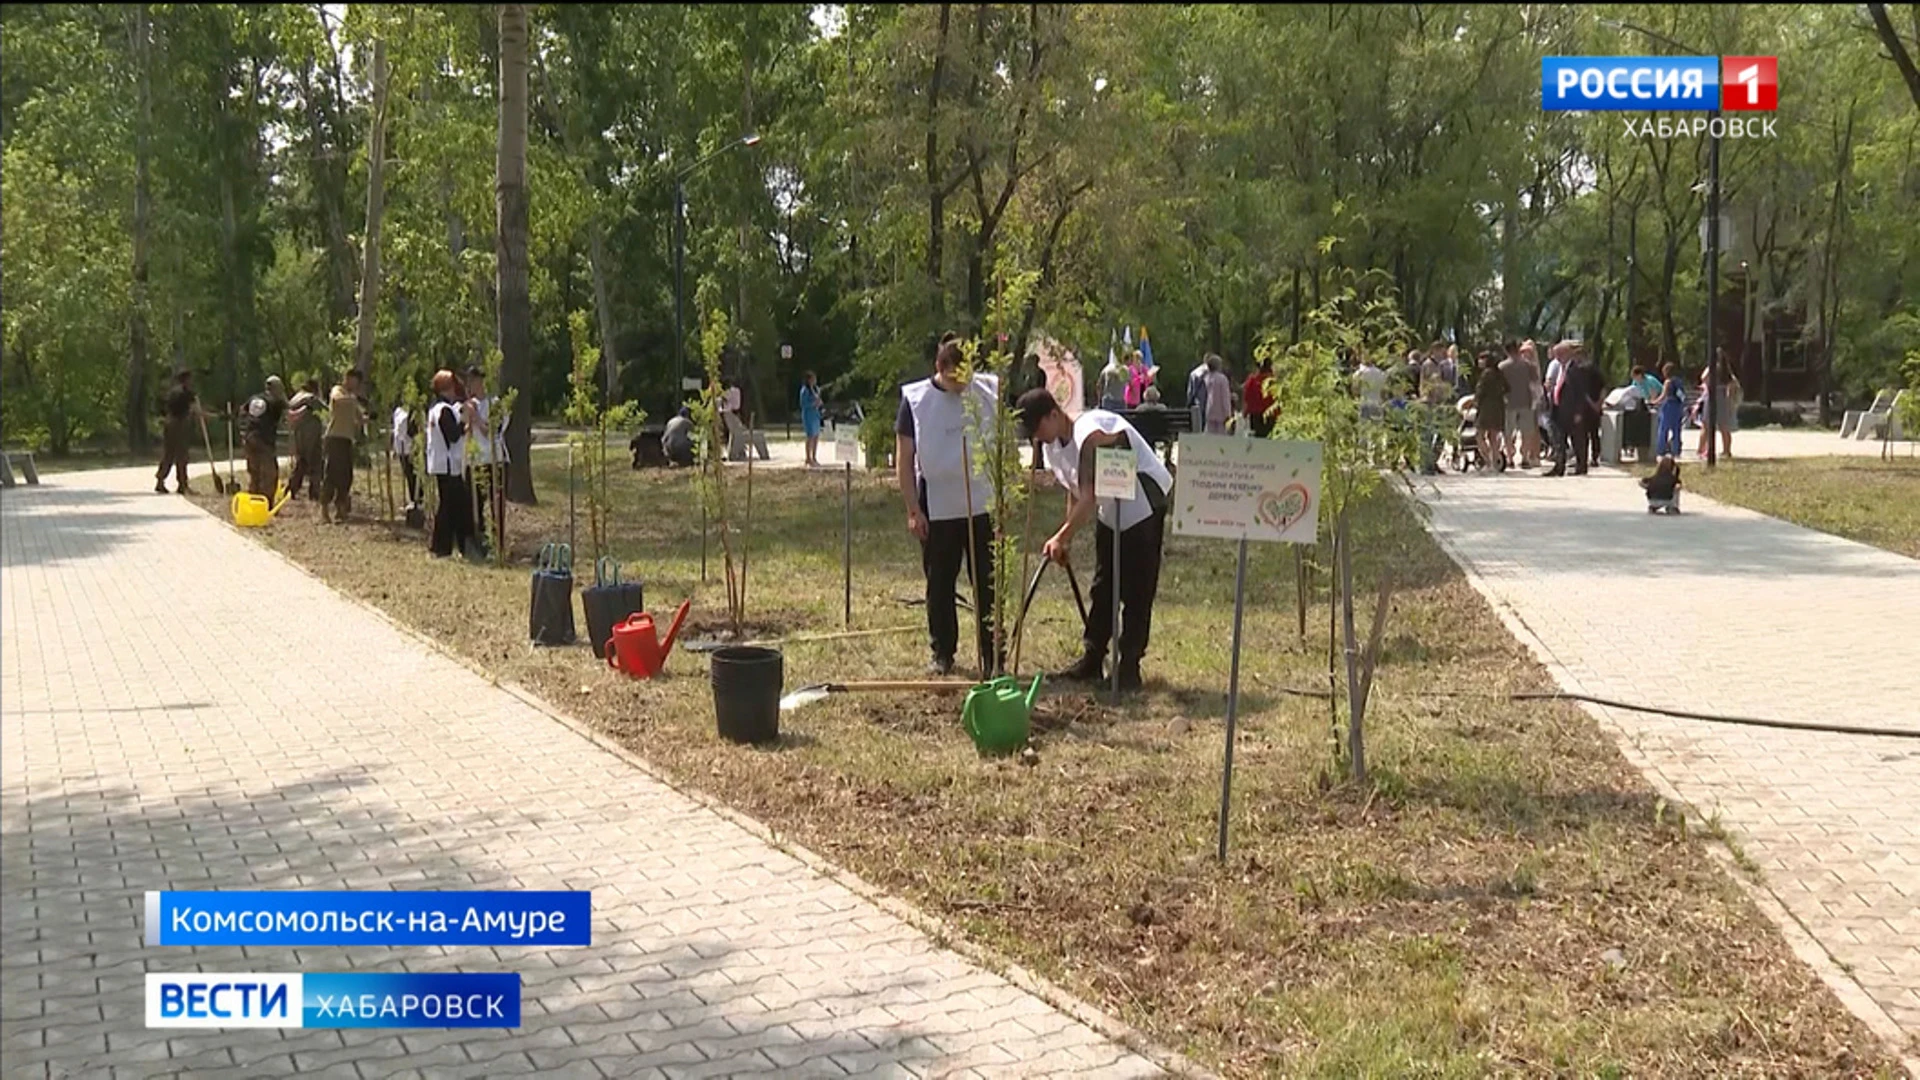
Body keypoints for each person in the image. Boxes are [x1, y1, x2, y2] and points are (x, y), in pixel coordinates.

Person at [1017, 388, 1173, 693]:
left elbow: (1088, 497)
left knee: (1137, 589)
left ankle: (1129, 666)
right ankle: (1092, 659)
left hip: (1143, 504)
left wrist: (1060, 537)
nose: (1037, 437)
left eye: (1037, 428)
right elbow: (1074, 491)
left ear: (1053, 414)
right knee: (1104, 586)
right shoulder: (1052, 447)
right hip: (1111, 508)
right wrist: (1067, 538)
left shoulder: (1090, 433)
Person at [896, 333, 998, 676]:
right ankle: (942, 651)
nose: (963, 382)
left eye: (968, 373)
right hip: (937, 504)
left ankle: (992, 654)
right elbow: (905, 458)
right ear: (941, 367)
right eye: (957, 375)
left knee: (988, 581)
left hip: (982, 503)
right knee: (940, 583)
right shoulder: (916, 400)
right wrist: (913, 509)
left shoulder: (987, 392)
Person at [425, 370, 477, 559]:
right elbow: (453, 435)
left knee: (452, 504)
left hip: (441, 463)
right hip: (447, 465)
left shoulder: (436, 408)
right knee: (450, 505)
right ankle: (442, 546)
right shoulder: (443, 410)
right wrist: (465, 424)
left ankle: (450, 545)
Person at [464, 365, 507, 547]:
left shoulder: (496, 404)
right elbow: (463, 431)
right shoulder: (469, 405)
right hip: (475, 460)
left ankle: (498, 542)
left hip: (494, 459)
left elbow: (492, 432)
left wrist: (477, 417)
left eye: (474, 381)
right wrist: (468, 416)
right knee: (475, 504)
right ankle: (478, 538)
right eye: (469, 381)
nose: (471, 385)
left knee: (496, 502)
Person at [318, 369, 364, 524]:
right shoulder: (338, 391)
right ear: (348, 379)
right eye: (354, 380)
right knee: (331, 473)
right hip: (334, 438)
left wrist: (367, 418)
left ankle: (340, 508)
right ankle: (324, 509)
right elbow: (338, 400)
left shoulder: (353, 399)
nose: (355, 384)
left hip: (347, 440)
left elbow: (359, 417)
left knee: (346, 476)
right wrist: (354, 399)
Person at [155, 370, 203, 495]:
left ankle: (160, 481)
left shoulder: (172, 392)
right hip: (179, 424)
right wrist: (215, 416)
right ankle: (182, 484)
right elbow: (196, 410)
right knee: (182, 455)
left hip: (169, 422)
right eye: (190, 379)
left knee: (168, 453)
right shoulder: (187, 393)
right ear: (186, 379)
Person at [242, 376, 289, 497]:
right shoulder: (276, 401)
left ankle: (253, 501)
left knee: (254, 473)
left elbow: (243, 412)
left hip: (249, 438)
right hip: (264, 440)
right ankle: (266, 503)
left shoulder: (254, 398)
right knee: (269, 475)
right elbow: (288, 413)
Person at [285, 379, 326, 501]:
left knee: (301, 463)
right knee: (315, 463)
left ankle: (291, 488)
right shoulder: (311, 398)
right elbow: (326, 410)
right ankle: (314, 493)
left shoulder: (295, 398)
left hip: (298, 436)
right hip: (312, 436)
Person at [1698, 358, 1741, 460]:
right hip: (1724, 399)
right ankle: (1727, 450)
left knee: (1706, 425)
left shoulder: (1712, 368)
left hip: (1712, 396)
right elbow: (1734, 384)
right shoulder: (1727, 371)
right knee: (1724, 427)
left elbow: (1703, 378)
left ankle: (1701, 449)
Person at [1473, 353, 1507, 470]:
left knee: (1479, 435)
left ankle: (1487, 459)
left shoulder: (1486, 374)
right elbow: (1507, 388)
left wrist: (1475, 402)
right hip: (1498, 406)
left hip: (1486, 408)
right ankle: (1495, 461)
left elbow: (1480, 390)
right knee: (1493, 436)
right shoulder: (1499, 373)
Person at [1651, 362, 1686, 458]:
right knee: (1676, 430)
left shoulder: (1668, 382)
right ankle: (1676, 450)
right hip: (1678, 406)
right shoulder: (1679, 381)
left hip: (1669, 405)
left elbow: (1663, 395)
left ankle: (1661, 449)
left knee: (1663, 428)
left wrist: (1654, 401)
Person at [391, 400, 422, 509]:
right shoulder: (398, 411)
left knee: (414, 475)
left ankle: (418, 500)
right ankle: (413, 499)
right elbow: (396, 430)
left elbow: (413, 430)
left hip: (411, 448)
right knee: (408, 475)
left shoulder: (414, 412)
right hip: (401, 448)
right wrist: (394, 448)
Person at [1243, 357, 1274, 438]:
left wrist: (1246, 411)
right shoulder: (1273, 381)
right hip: (1270, 414)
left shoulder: (1252, 380)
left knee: (1257, 437)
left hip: (1255, 414)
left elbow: (1247, 396)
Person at [799, 370, 824, 467]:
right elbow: (803, 404)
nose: (814, 380)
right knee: (810, 436)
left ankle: (814, 457)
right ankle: (808, 458)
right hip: (808, 415)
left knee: (816, 436)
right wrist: (813, 404)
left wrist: (819, 403)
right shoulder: (804, 390)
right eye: (813, 378)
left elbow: (818, 400)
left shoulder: (816, 389)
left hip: (815, 415)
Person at [1202, 354, 1232, 435]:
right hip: (1221, 413)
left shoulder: (1207, 378)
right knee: (1221, 437)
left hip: (1210, 411)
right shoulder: (1222, 379)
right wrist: (1228, 413)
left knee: (1210, 436)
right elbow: (1225, 397)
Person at [721, 378, 748, 461]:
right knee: (735, 432)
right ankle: (739, 451)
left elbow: (733, 404)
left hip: (731, 413)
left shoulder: (731, 392)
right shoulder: (735, 391)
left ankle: (738, 451)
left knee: (734, 433)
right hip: (733, 413)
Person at [1186, 356, 1212, 435]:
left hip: (1197, 404)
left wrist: (1189, 402)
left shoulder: (1194, 373)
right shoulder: (1214, 373)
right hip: (1210, 404)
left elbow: (1190, 392)